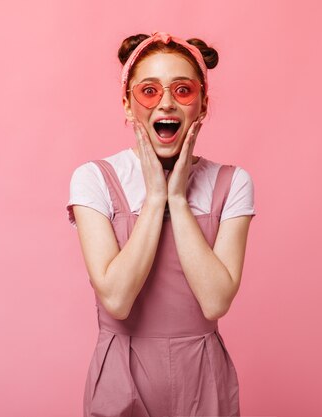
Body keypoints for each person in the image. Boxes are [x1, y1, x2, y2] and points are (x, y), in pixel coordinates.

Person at [66, 31, 255, 417]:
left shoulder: (233, 182)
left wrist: (178, 199)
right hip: (123, 370)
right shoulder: (94, 178)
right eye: (148, 91)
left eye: (182, 90)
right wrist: (154, 198)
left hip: (203, 375)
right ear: (126, 104)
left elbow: (216, 300)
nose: (165, 103)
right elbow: (117, 300)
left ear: (201, 105)